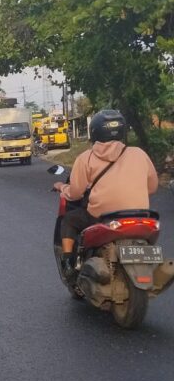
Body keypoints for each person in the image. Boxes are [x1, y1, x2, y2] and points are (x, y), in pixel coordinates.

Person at [52, 110, 158, 273]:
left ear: (94, 132)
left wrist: (61, 187)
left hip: (102, 217)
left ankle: (68, 263)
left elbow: (75, 193)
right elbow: (152, 187)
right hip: (140, 215)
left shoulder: (86, 158)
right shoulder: (139, 153)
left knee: (69, 220)